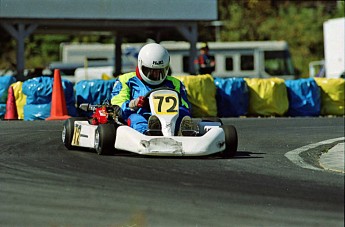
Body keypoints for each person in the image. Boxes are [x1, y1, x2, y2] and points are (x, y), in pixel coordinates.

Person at [111, 43, 193, 136]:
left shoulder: (175, 83)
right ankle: (149, 132)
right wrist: (134, 104)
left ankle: (183, 131)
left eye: (159, 71)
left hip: (170, 120)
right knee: (135, 118)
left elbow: (186, 106)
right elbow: (117, 105)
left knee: (183, 114)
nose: (155, 75)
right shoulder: (125, 80)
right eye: (151, 71)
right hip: (141, 115)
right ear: (141, 65)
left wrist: (180, 112)